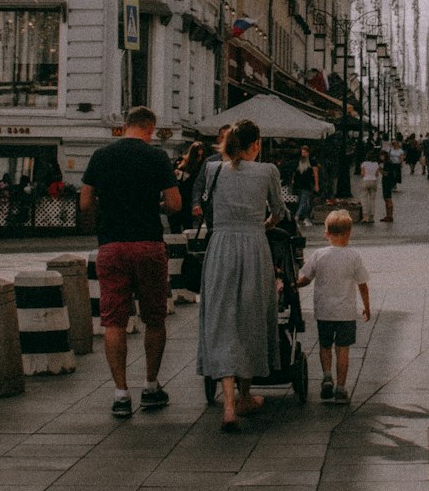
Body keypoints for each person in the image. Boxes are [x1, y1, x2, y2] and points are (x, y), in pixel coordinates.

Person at [80, 105, 181, 418]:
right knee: (155, 317)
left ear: (125, 126)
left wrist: (109, 209)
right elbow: (175, 204)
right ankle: (151, 387)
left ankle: (121, 394)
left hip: (111, 245)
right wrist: (155, 208)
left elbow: (84, 203)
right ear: (150, 129)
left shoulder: (100, 156)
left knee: (114, 320)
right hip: (148, 244)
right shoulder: (157, 157)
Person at [197, 119, 284, 431]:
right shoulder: (267, 171)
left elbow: (209, 208)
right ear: (256, 144)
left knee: (222, 317)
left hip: (220, 246)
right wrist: (262, 226)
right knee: (250, 316)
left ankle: (229, 405)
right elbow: (278, 212)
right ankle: (245, 394)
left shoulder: (213, 170)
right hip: (253, 247)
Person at [297, 208, 370, 403]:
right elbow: (362, 284)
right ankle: (340, 387)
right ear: (349, 233)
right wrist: (367, 307)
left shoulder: (319, 254)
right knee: (343, 349)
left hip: (324, 311)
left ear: (326, 233)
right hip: (346, 312)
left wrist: (290, 284)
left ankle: (327, 375)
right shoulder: (353, 256)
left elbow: (305, 278)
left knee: (325, 345)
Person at [171, 140, 205, 231]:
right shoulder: (181, 162)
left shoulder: (201, 166)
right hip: (181, 197)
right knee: (177, 227)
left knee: (188, 226)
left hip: (188, 199)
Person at [290, 146, 320, 228]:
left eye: (304, 152)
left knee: (303, 202)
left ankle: (296, 217)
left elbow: (315, 174)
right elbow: (294, 173)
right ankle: (304, 218)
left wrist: (316, 185)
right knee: (301, 202)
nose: (303, 154)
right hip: (298, 184)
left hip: (307, 184)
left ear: (308, 153)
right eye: (302, 152)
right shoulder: (299, 161)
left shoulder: (312, 162)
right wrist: (293, 181)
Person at [359, 149, 380, 224]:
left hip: (365, 181)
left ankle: (365, 217)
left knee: (364, 199)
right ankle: (371, 217)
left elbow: (362, 174)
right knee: (372, 200)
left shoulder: (364, 163)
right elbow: (377, 174)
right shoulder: (376, 164)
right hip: (373, 181)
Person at [379, 149, 396, 223]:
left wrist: (380, 170)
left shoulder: (388, 163)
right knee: (386, 198)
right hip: (387, 182)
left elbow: (386, 174)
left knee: (388, 198)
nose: (380, 157)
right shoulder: (387, 162)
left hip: (387, 182)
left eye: (381, 155)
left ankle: (390, 215)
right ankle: (388, 215)